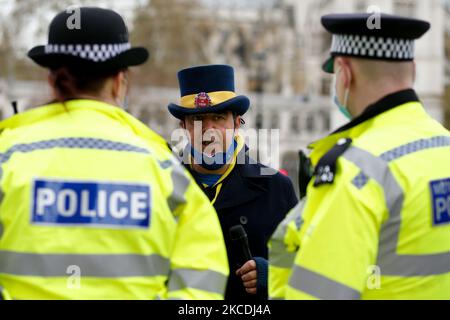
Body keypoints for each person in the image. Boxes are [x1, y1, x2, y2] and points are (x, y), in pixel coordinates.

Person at [0, 7, 228, 300]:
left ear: (52, 79)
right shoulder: (164, 171)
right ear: (120, 80)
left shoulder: (8, 156)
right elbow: (202, 281)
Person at [269, 13, 450, 300]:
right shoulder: (443, 145)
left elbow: (320, 292)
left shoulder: (357, 169)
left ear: (345, 73)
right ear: (412, 70)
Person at [167, 64, 298, 300]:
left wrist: (271, 274)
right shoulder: (163, 186)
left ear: (237, 123)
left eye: (218, 117)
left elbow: (305, 267)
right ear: (184, 127)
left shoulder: (276, 188)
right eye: (198, 119)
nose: (209, 130)